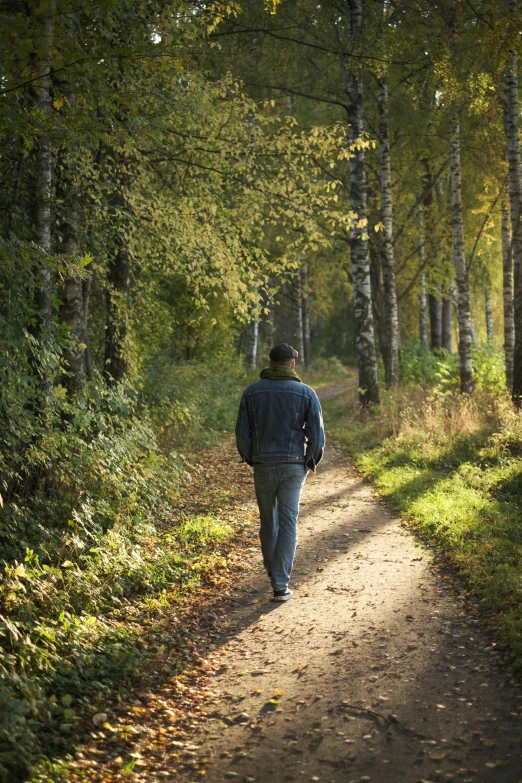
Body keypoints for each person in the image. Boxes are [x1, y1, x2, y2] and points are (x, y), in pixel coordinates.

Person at [235, 343, 325, 602]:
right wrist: (310, 460)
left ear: (271, 363)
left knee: (268, 522)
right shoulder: (306, 393)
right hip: (293, 466)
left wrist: (251, 458)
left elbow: (243, 432)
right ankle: (280, 584)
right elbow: (317, 435)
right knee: (288, 523)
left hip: (263, 464)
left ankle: (272, 570)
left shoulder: (251, 392)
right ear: (292, 364)